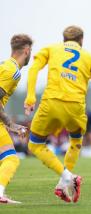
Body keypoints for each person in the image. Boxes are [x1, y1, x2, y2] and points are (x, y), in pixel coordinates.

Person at [24, 26, 91, 203]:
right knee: (76, 142)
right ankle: (63, 184)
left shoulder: (51, 49)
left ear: (63, 39)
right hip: (76, 108)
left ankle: (68, 178)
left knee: (35, 145)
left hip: (51, 103)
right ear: (82, 40)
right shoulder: (89, 58)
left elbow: (33, 70)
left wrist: (31, 97)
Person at [0, 34, 33, 204]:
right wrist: (11, 124)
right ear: (26, 50)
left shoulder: (5, 66)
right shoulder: (12, 71)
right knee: (11, 159)